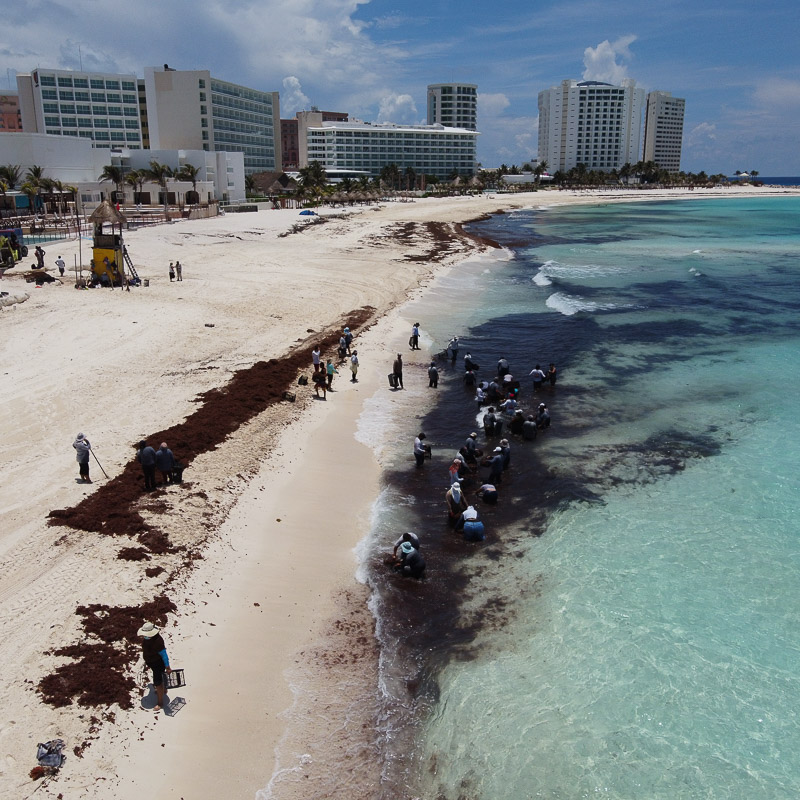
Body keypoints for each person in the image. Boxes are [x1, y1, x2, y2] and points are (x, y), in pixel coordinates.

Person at [138, 621, 172, 711]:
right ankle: (163, 690)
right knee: (160, 677)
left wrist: (167, 667)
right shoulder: (148, 639)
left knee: (158, 682)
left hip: (157, 663)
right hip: (152, 663)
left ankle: (160, 703)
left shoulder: (158, 642)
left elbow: (164, 655)